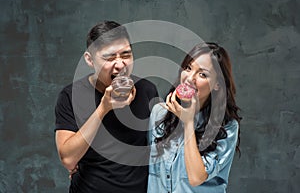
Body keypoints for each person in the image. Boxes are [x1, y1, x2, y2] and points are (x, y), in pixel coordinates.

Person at [55, 21, 158, 192]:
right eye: (109, 58)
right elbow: (68, 159)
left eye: (126, 55)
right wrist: (103, 108)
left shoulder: (147, 89)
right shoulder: (71, 95)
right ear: (90, 59)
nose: (120, 65)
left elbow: (160, 146)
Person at [147, 42, 241, 193]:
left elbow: (196, 177)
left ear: (217, 84)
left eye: (202, 74)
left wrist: (188, 122)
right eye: (188, 68)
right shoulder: (160, 113)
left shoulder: (227, 127)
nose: (190, 78)